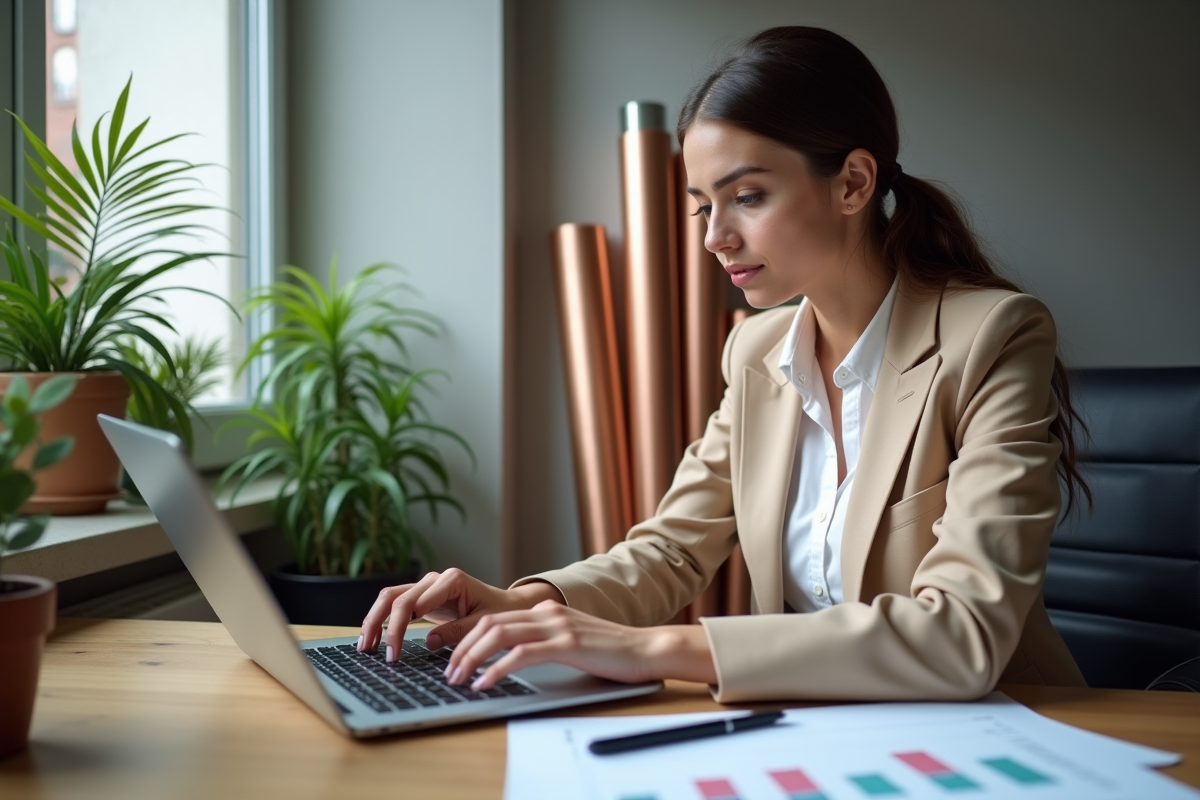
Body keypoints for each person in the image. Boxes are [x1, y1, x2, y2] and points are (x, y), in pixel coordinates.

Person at [358, 26, 1089, 702]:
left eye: (747, 196)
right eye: (703, 205)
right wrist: (528, 604)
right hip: (820, 730)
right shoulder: (757, 351)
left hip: (1006, 726)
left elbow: (962, 635)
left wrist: (651, 650)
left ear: (853, 184)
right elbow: (671, 551)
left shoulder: (993, 336)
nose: (716, 237)